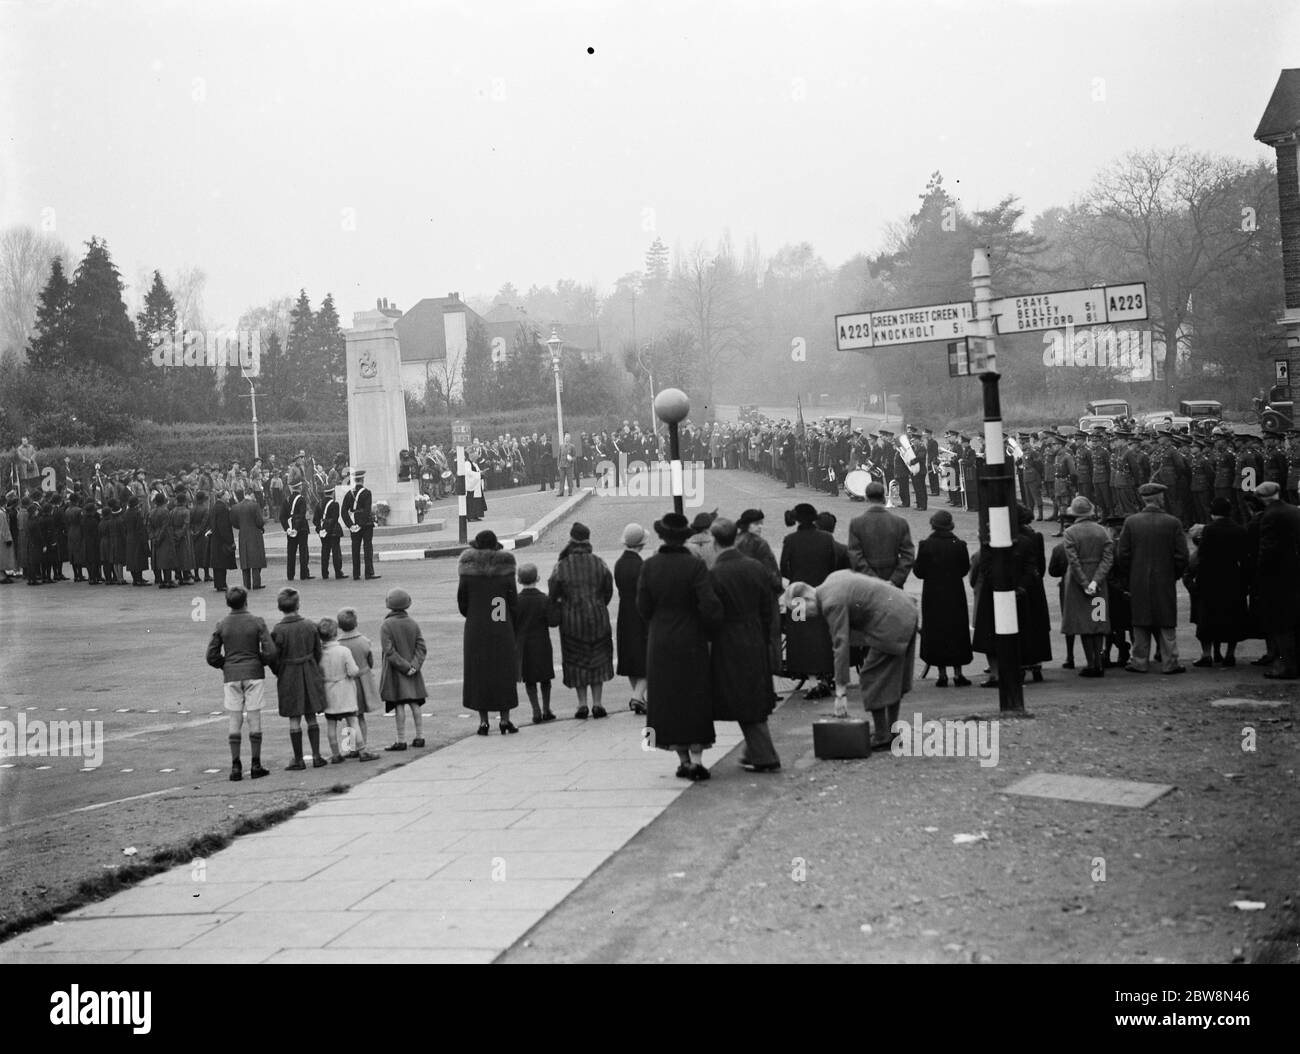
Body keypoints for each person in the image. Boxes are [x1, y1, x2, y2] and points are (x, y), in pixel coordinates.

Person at [638, 511, 723, 780]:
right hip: (692, 637)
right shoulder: (695, 566)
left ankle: (683, 758)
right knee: (694, 696)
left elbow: (643, 606)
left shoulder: (650, 566)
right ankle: (697, 758)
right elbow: (709, 605)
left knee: (668, 699)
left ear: (662, 536)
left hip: (661, 639)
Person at [797, 568, 919, 751]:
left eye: (802, 610)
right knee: (893, 677)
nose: (806, 616)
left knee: (870, 677)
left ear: (806, 598)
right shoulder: (832, 579)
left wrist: (840, 692)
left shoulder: (830, 603)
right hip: (905, 608)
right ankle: (892, 731)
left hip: (891, 620)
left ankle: (882, 735)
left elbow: (841, 645)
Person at [708, 518, 780, 772]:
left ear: (716, 542)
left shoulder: (715, 573)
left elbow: (712, 612)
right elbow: (767, 603)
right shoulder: (755, 567)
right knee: (753, 694)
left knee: (743, 697)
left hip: (729, 639)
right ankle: (754, 751)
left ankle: (763, 755)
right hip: (755, 634)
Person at [1116, 483, 1189, 675]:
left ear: (1144, 499)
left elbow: (1122, 554)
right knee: (1166, 620)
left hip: (1138, 579)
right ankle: (1170, 662)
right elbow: (1182, 555)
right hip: (1164, 578)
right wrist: (1173, 574)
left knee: (1140, 620)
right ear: (1159, 499)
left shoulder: (1131, 522)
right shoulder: (1173, 522)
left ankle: (1139, 661)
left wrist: (1131, 574)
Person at [205, 586, 276, 781]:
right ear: (246, 601)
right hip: (253, 672)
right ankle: (256, 763)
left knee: (235, 719)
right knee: (254, 718)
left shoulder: (222, 624)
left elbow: (211, 655)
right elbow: (270, 652)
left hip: (232, 674)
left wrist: (225, 664)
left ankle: (235, 765)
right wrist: (259, 660)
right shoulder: (257, 622)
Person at [548, 522, 615, 718]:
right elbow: (608, 590)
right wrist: (599, 604)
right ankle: (598, 703)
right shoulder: (598, 562)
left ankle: (582, 704)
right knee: (599, 659)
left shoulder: (562, 566)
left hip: (572, 620)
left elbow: (553, 592)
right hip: (598, 617)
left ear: (571, 539)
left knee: (576, 661)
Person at [458, 530, 521, 734]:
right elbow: (511, 599)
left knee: (479, 673)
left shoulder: (468, 568)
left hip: (476, 626)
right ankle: (504, 719)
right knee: (503, 671)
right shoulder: (505, 567)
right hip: (500, 622)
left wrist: (476, 614)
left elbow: (462, 602)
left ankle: (483, 722)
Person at [779, 502, 838, 697]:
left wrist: (797, 576)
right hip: (822, 592)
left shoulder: (790, 539)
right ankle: (825, 678)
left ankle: (812, 682)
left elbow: (783, 569)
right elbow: (833, 565)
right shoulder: (827, 539)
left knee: (800, 636)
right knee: (823, 633)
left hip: (798, 597)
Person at [269, 587, 328, 770]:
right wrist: (312, 666)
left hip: (289, 673)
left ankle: (298, 758)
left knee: (294, 717)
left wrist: (279, 670)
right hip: (308, 670)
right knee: (311, 716)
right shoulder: (310, 625)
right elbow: (318, 652)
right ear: (298, 605)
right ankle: (317, 756)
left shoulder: (278, 630)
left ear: (280, 607)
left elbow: (273, 656)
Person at [913, 509, 972, 686]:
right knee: (956, 630)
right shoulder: (959, 545)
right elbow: (963, 570)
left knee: (936, 631)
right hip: (955, 592)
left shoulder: (926, 545)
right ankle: (958, 673)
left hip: (933, 594)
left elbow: (919, 572)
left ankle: (942, 674)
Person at [1186, 497, 1248, 667]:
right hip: (1233, 578)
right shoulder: (1240, 530)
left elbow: (1203, 557)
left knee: (1207, 618)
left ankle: (1207, 655)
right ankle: (1230, 654)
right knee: (1233, 618)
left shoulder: (1209, 530)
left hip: (1211, 579)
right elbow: (1244, 558)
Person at [1062, 496, 1113, 678]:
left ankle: (1091, 663)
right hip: (1098, 583)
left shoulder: (1070, 533)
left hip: (1078, 584)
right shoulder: (1103, 531)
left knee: (1084, 624)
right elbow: (1108, 559)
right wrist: (1095, 581)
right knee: (1098, 622)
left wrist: (1085, 583)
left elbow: (1073, 561)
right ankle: (1099, 661)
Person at [1255, 481, 1300, 678]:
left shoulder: (1269, 516)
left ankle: (1285, 666)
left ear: (1261, 499)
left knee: (1281, 624)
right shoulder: (1293, 511)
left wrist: (1260, 574)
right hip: (1295, 571)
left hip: (1278, 576)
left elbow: (1267, 550)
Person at [736, 508, 783, 677]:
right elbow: (770, 571)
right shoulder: (759, 544)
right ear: (747, 525)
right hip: (765, 598)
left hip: (742, 597)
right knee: (770, 636)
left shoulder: (736, 542)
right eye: (756, 524)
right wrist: (778, 587)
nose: (760, 527)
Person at [379, 587, 428, 749]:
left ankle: (401, 740)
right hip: (413, 671)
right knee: (415, 704)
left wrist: (404, 667)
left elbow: (389, 651)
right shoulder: (413, 623)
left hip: (396, 671)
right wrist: (414, 665)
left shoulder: (386, 625)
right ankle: (420, 736)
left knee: (399, 705)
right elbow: (421, 647)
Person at [847, 482, 915, 587]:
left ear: (866, 498)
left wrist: (873, 579)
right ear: (883, 497)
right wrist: (895, 579)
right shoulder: (900, 522)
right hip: (892, 579)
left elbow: (855, 556)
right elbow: (908, 555)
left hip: (867, 582)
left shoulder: (856, 523)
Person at [515, 563, 558, 723]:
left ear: (519, 580)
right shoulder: (544, 599)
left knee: (530, 680)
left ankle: (536, 710)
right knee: (545, 678)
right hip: (542, 642)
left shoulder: (516, 601)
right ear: (538, 578)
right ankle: (547, 708)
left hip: (523, 645)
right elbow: (553, 622)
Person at [317, 616, 365, 763]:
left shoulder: (319, 653)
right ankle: (361, 750)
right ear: (335, 633)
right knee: (352, 721)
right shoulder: (343, 650)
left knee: (331, 724)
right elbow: (353, 671)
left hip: (328, 691)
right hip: (345, 690)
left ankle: (336, 753)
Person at [335, 608, 380, 760]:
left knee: (348, 717)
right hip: (362, 681)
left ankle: (349, 748)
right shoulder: (364, 641)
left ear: (339, 626)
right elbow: (370, 662)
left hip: (347, 683)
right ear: (356, 622)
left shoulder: (339, 644)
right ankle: (363, 745)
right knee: (360, 718)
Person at [614, 523, 649, 714]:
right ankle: (637, 697)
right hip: (640, 613)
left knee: (630, 658)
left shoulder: (620, 563)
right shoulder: (641, 565)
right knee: (646, 659)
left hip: (624, 611)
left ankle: (640, 699)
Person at [341, 469, 380, 580]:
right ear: (362, 480)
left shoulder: (349, 494)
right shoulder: (367, 493)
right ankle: (369, 573)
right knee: (367, 548)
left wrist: (351, 525)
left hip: (354, 524)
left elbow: (343, 512)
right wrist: (361, 524)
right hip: (366, 524)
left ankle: (356, 573)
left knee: (355, 548)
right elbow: (367, 510)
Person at [230, 489, 267, 590]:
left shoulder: (236, 507)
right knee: (255, 560)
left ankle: (246, 584)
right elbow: (259, 521)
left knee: (245, 561)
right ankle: (256, 583)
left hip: (243, 534)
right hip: (254, 533)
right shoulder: (254, 505)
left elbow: (234, 522)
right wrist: (263, 522)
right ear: (251, 494)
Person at [280, 481, 313, 581]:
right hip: (301, 528)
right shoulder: (301, 499)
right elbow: (302, 515)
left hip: (290, 528)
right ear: (299, 487)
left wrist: (287, 529)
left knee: (291, 552)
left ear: (291, 488)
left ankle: (290, 575)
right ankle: (304, 574)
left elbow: (282, 516)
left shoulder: (286, 500)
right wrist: (296, 528)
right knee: (303, 552)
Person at [148, 493, 178, 589]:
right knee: (167, 559)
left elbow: (149, 527)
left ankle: (160, 579)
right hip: (165, 537)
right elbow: (165, 526)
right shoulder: (165, 511)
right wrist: (159, 537)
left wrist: (153, 537)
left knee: (157, 559)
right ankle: (167, 580)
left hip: (155, 536)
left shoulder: (151, 512)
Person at [315, 485, 344, 580]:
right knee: (336, 552)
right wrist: (328, 530)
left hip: (323, 530)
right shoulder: (335, 504)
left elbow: (315, 520)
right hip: (333, 530)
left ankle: (324, 573)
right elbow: (335, 519)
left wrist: (321, 530)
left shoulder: (319, 504)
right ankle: (338, 573)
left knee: (325, 552)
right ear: (332, 493)